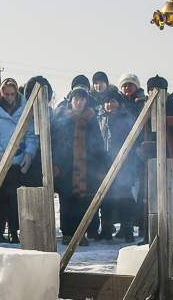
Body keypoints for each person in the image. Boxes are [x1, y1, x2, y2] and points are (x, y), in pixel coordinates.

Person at [0, 78, 39, 243]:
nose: (10, 97)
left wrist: (29, 154)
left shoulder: (25, 110)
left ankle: (16, 230)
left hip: (18, 162)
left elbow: (31, 134)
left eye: (13, 94)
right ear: (1, 93)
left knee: (16, 198)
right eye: (7, 94)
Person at [53, 88, 108, 244]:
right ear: (71, 101)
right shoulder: (62, 119)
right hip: (66, 166)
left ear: (86, 102)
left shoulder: (91, 120)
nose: (79, 102)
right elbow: (56, 143)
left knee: (84, 201)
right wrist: (56, 164)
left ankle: (82, 232)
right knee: (67, 200)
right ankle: (67, 233)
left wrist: (100, 168)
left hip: (88, 165)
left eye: (82, 99)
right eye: (76, 99)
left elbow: (99, 145)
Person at [97, 87, 139, 241]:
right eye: (107, 102)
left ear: (118, 102)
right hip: (104, 164)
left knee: (125, 197)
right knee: (105, 198)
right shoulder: (99, 119)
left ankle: (127, 230)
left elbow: (135, 141)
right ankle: (106, 229)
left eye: (112, 101)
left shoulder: (128, 118)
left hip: (124, 164)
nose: (110, 104)